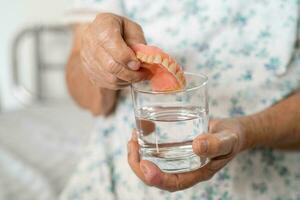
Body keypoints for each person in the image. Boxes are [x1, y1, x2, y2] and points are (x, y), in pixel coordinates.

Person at [62, 0, 300, 199]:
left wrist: (250, 131)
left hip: (264, 180)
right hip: (121, 181)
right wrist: (102, 61)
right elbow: (88, 96)